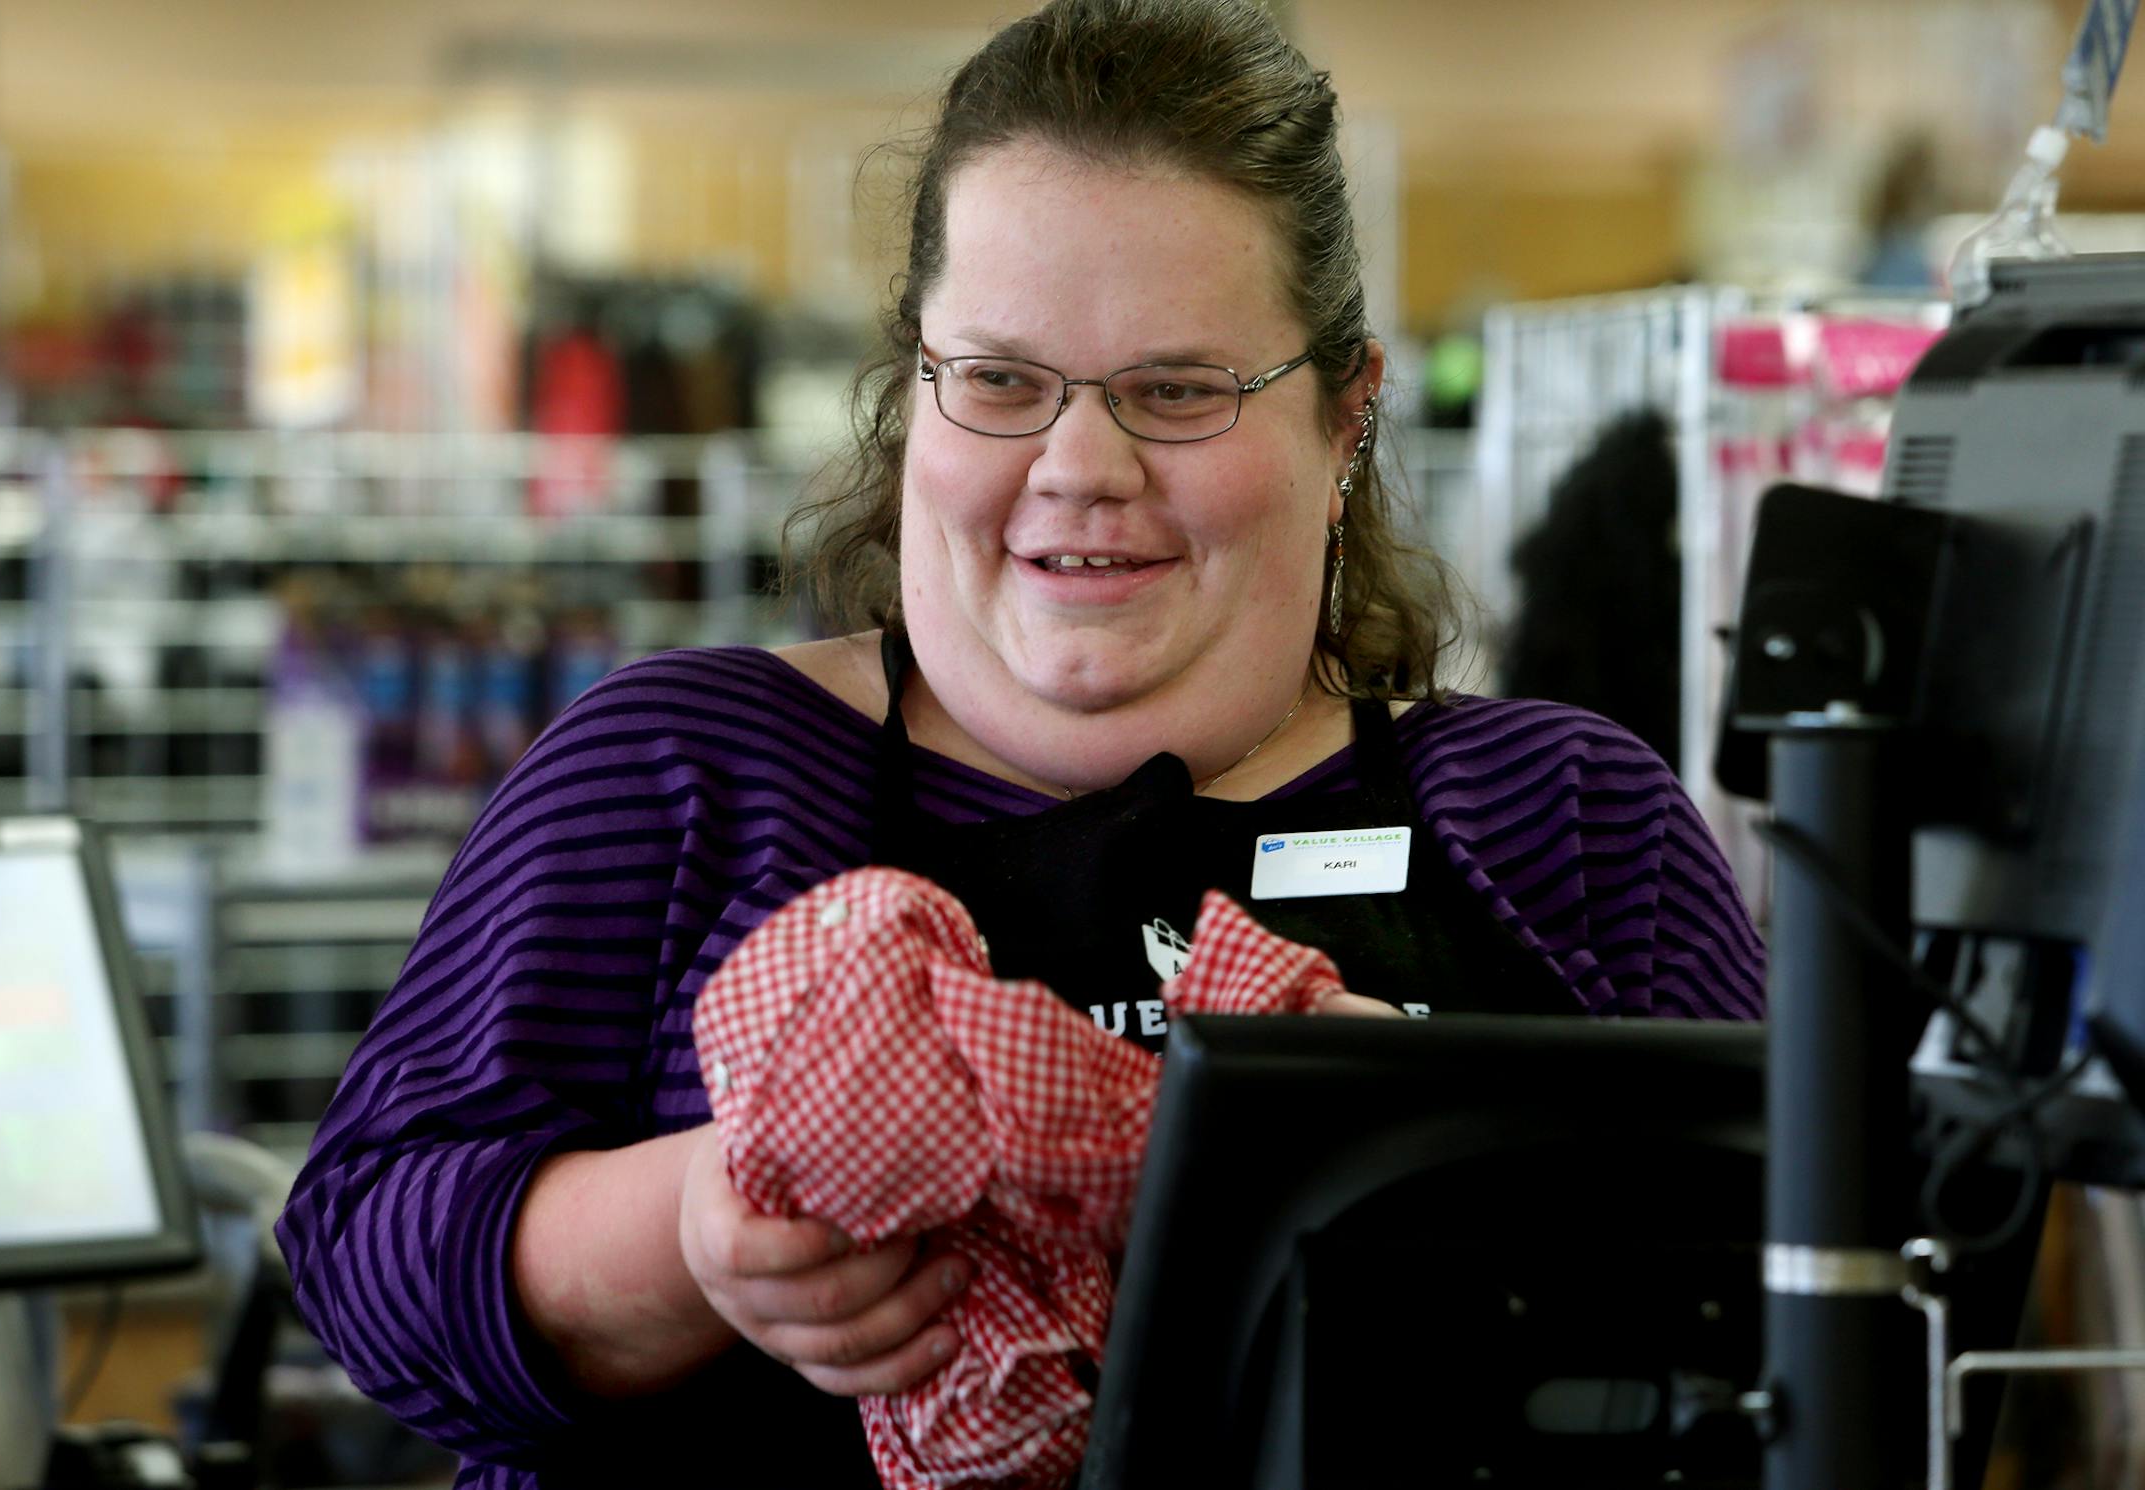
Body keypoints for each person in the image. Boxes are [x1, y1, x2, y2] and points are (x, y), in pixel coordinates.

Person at [276, 2, 1766, 1486]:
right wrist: (695, 1233)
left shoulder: (1567, 820)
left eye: (1178, 390)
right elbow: (367, 1249)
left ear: (1348, 414)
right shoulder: (680, 777)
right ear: (915, 387)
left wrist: (1458, 1173)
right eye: (1002, 381)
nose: (1080, 468)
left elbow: (1805, 1311)